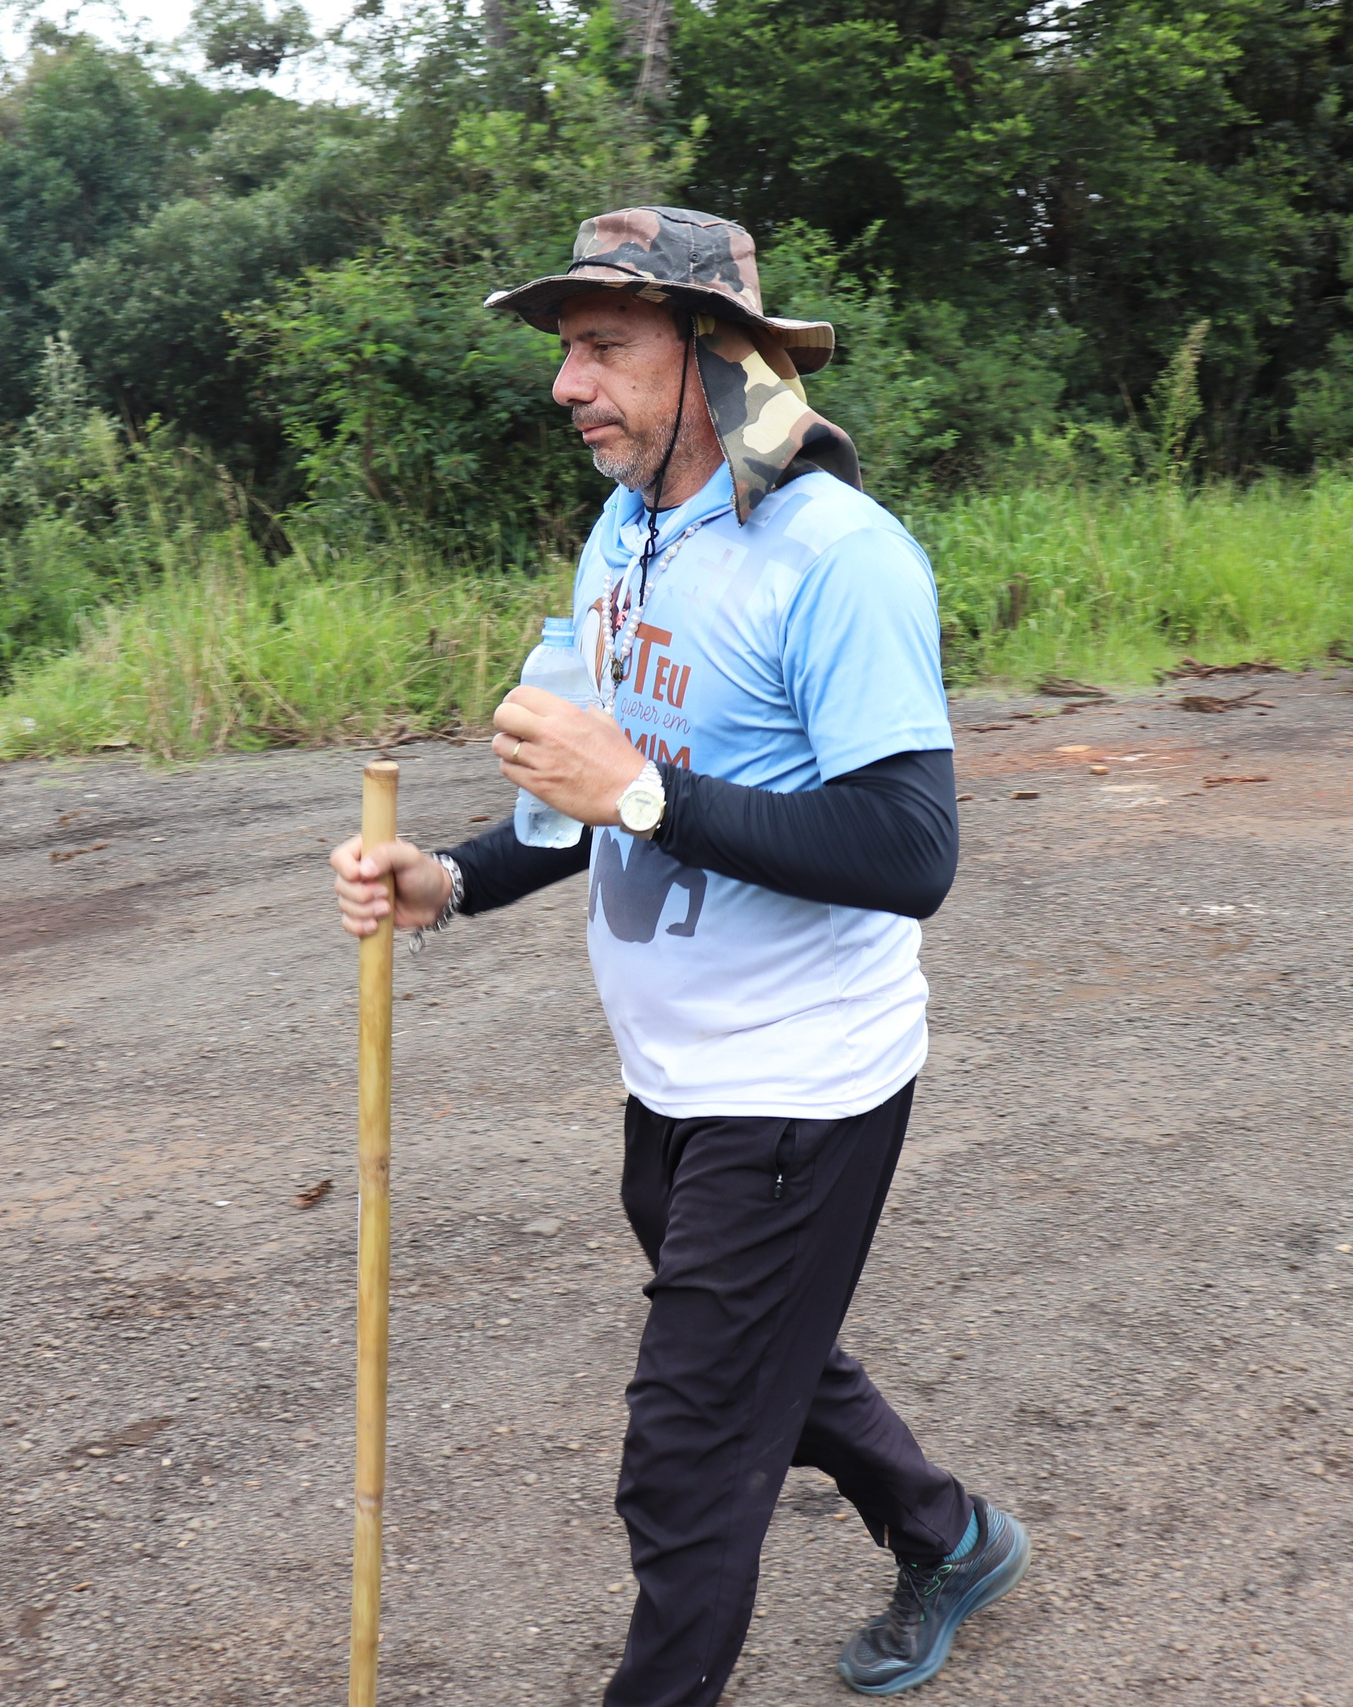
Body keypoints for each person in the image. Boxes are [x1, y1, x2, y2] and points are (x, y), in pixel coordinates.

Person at [329, 206, 1027, 1705]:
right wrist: (450, 878)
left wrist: (642, 792)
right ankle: (949, 1535)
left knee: (688, 1459)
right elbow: (580, 807)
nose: (565, 384)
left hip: (802, 1091)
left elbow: (912, 851)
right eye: (566, 350)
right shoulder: (630, 529)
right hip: (677, 1083)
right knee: (775, 1352)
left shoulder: (840, 558)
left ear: (713, 355)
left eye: (601, 347)